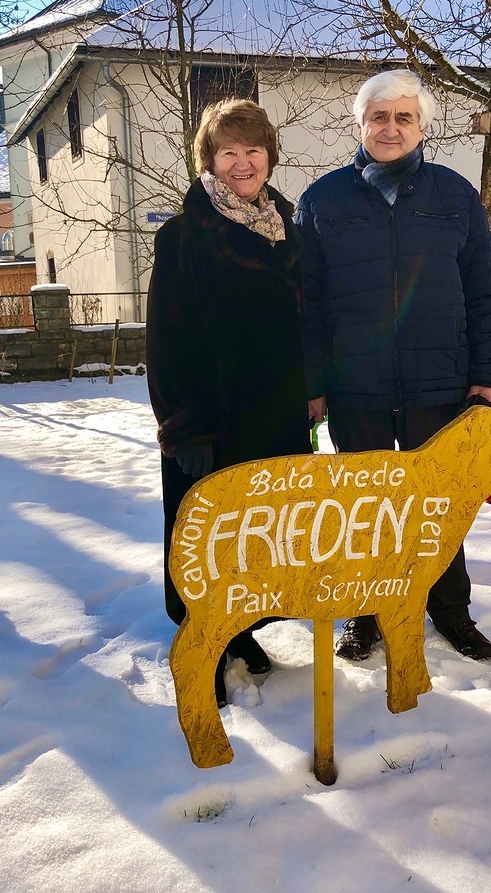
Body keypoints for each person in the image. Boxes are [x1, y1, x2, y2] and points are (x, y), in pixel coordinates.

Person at [296, 69, 491, 662]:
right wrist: (313, 385)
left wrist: (489, 380)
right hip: (356, 388)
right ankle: (366, 615)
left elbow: (484, 294)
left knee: (438, 509)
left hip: (440, 384)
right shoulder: (322, 201)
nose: (390, 128)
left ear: (422, 127)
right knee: (365, 510)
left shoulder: (455, 197)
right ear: (360, 124)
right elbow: (307, 304)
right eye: (379, 116)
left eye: (403, 117)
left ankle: (451, 612)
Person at [146, 99, 310, 705]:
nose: (242, 163)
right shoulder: (183, 235)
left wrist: (311, 394)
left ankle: (241, 632)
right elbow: (166, 339)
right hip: (212, 420)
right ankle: (204, 648)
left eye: (253, 150)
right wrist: (184, 426)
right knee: (209, 541)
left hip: (276, 418)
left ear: (270, 156)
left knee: (259, 536)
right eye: (228, 152)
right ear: (210, 161)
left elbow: (301, 325)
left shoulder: (286, 228)